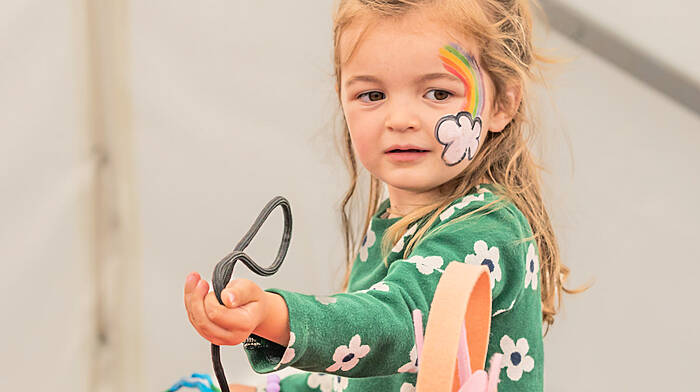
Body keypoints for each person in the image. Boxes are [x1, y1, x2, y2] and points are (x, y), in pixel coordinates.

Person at [184, 0, 577, 390]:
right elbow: (368, 378)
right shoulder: (397, 219)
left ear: (504, 102)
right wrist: (269, 390)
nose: (401, 119)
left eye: (439, 94)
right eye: (372, 95)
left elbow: (398, 325)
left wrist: (277, 315)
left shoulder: (486, 229)